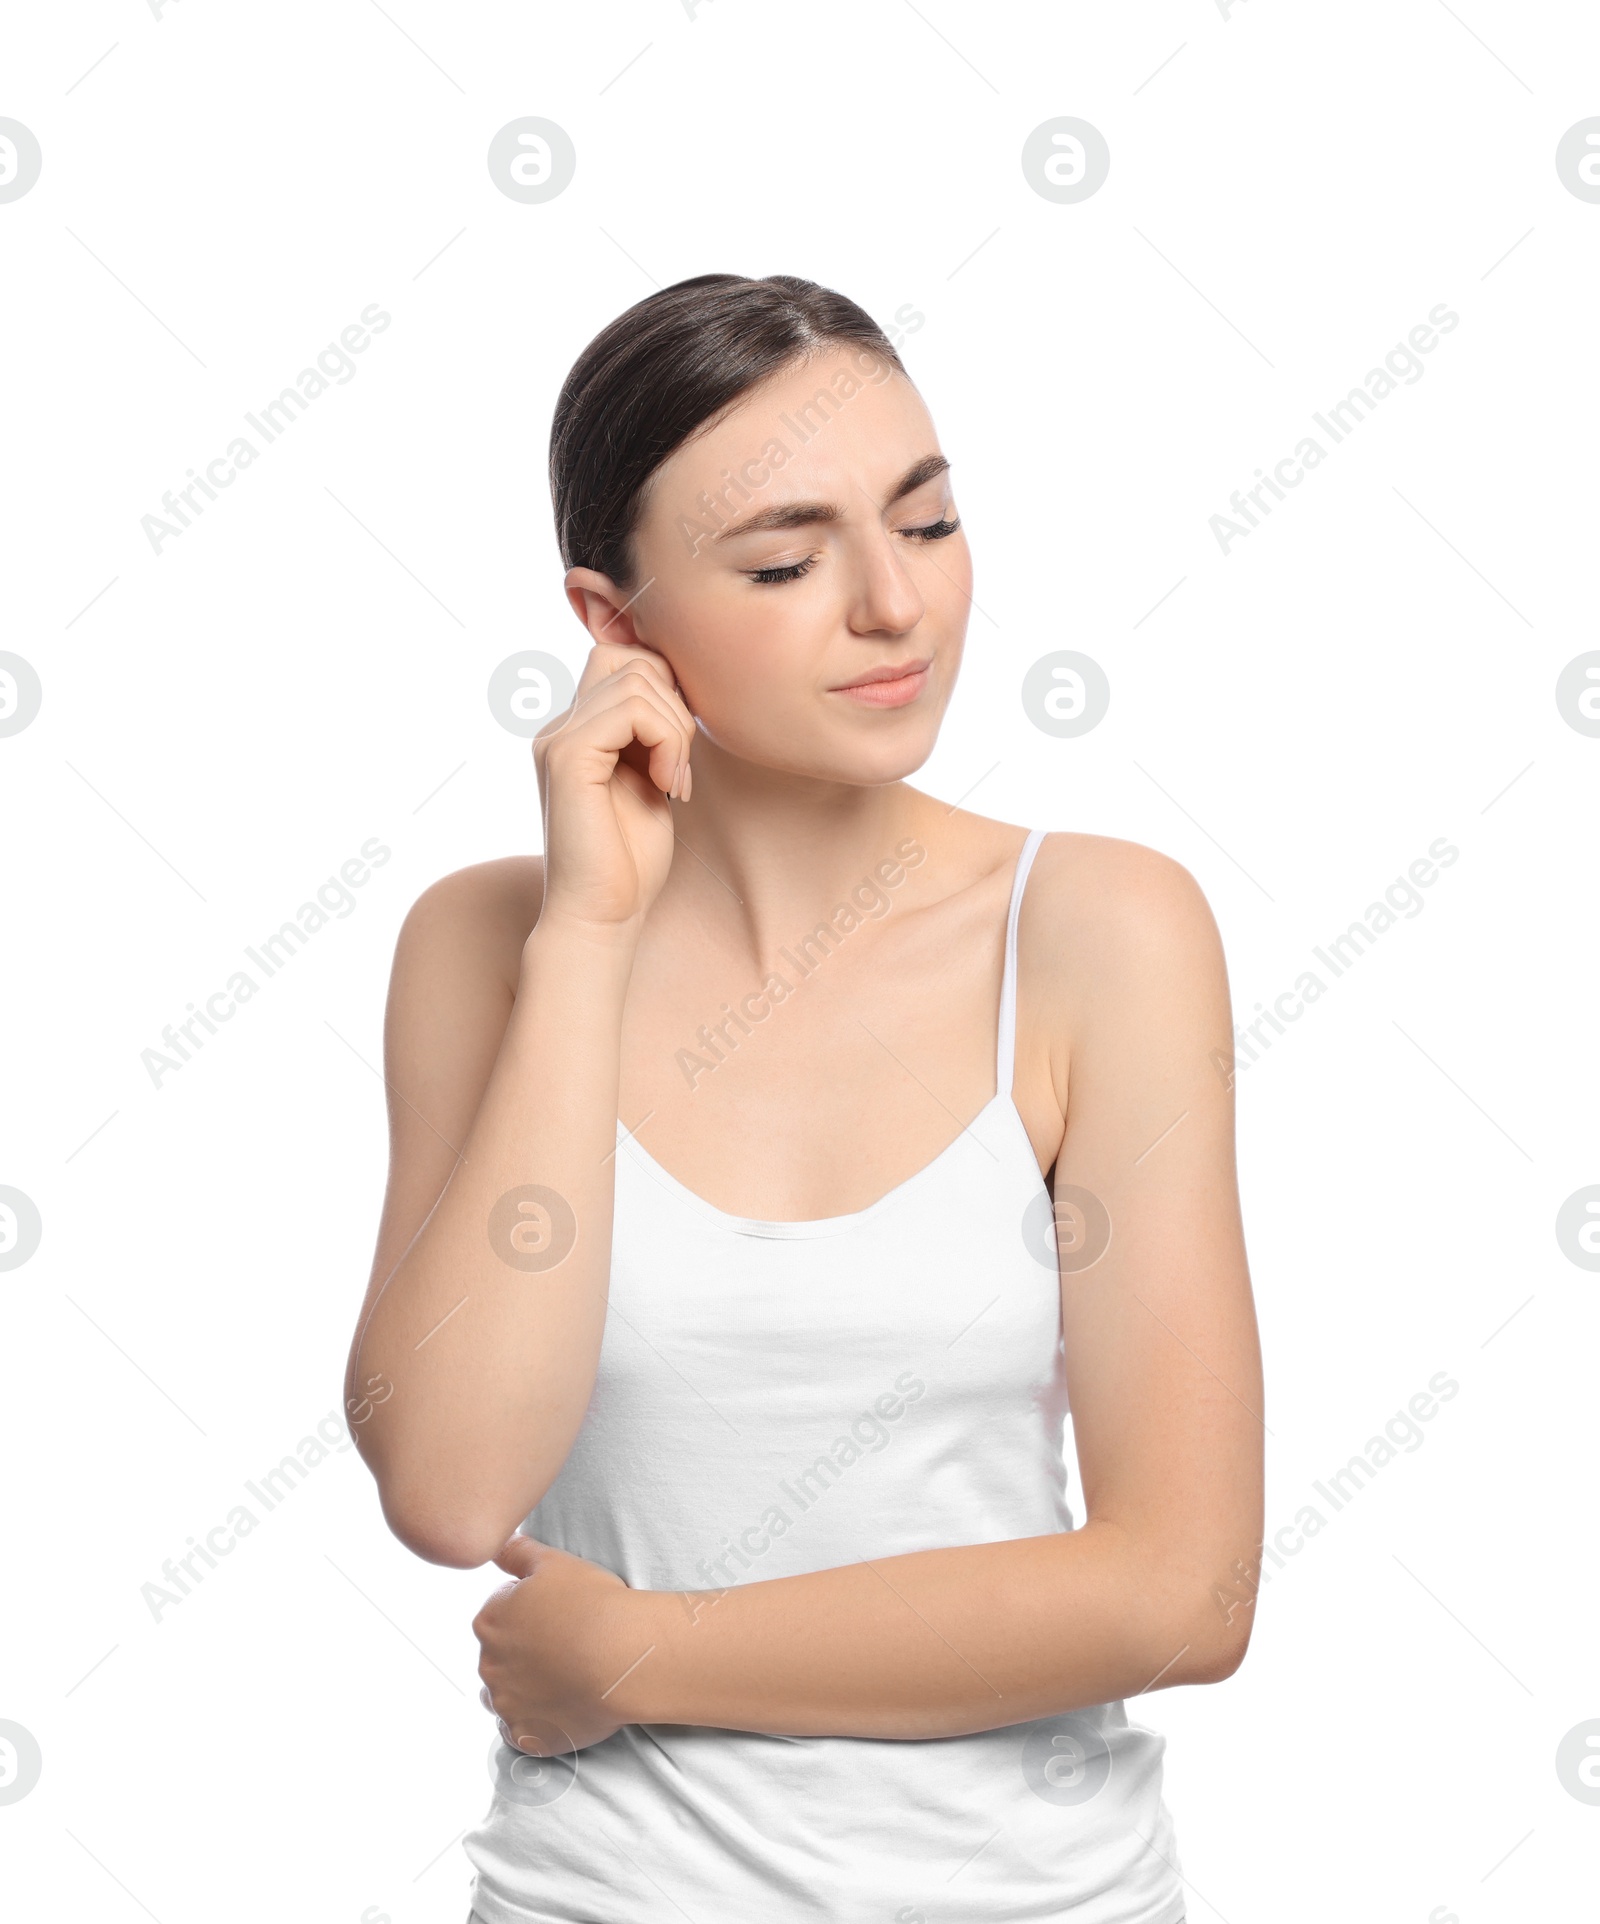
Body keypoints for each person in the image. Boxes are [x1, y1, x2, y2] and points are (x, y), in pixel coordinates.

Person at [343, 273, 1263, 1924]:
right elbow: (454, 1487)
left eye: (927, 523)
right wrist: (590, 934)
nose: (894, 607)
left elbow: (1182, 1593)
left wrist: (643, 1652)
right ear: (616, 625)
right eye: (785, 561)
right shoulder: (485, 946)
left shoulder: (1101, 932)